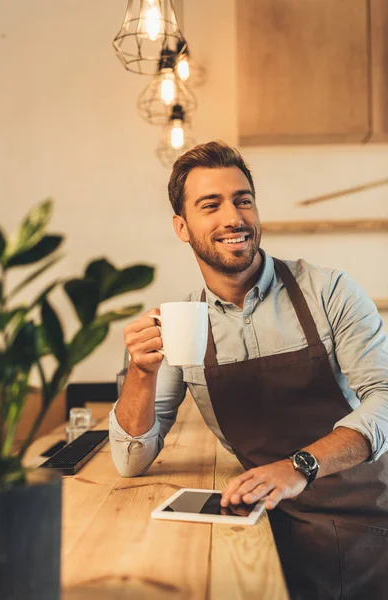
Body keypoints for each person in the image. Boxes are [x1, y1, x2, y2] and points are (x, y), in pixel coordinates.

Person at [109, 141, 388, 599]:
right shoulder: (182, 322)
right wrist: (141, 373)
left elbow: (384, 397)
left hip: (361, 525)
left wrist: (301, 465)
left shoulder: (330, 292)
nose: (233, 218)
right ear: (182, 226)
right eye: (210, 205)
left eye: (243, 200)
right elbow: (130, 459)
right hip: (263, 522)